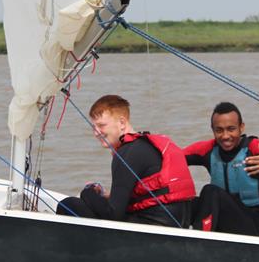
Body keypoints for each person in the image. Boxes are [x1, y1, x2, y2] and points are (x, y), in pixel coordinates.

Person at [56, 94, 195, 227]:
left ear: (122, 122)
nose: (96, 132)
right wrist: (106, 196)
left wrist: (87, 192)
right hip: (175, 226)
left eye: (101, 125)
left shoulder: (126, 153)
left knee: (68, 204)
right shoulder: (143, 145)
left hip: (152, 230)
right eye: (94, 127)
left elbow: (113, 214)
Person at [183, 102, 259, 237]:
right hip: (222, 221)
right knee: (183, 203)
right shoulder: (208, 149)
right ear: (212, 130)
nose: (225, 136)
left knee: (210, 191)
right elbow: (174, 156)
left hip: (253, 227)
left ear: (241, 127)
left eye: (231, 129)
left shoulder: (254, 147)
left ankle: (201, 241)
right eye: (219, 130)